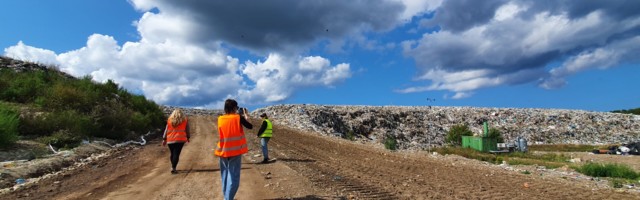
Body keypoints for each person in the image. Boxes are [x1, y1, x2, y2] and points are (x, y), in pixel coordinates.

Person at [215, 99, 252, 200]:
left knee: (225, 176)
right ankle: (228, 198)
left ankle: (227, 197)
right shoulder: (238, 117)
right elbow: (250, 126)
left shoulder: (220, 118)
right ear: (234, 108)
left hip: (222, 150)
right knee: (233, 177)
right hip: (235, 151)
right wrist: (246, 115)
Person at [162, 109, 190, 174]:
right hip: (180, 140)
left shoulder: (169, 120)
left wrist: (164, 139)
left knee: (172, 153)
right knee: (176, 154)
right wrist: (188, 137)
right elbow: (187, 130)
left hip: (170, 139)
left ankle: (173, 166)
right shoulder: (184, 121)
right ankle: (173, 167)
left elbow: (166, 130)